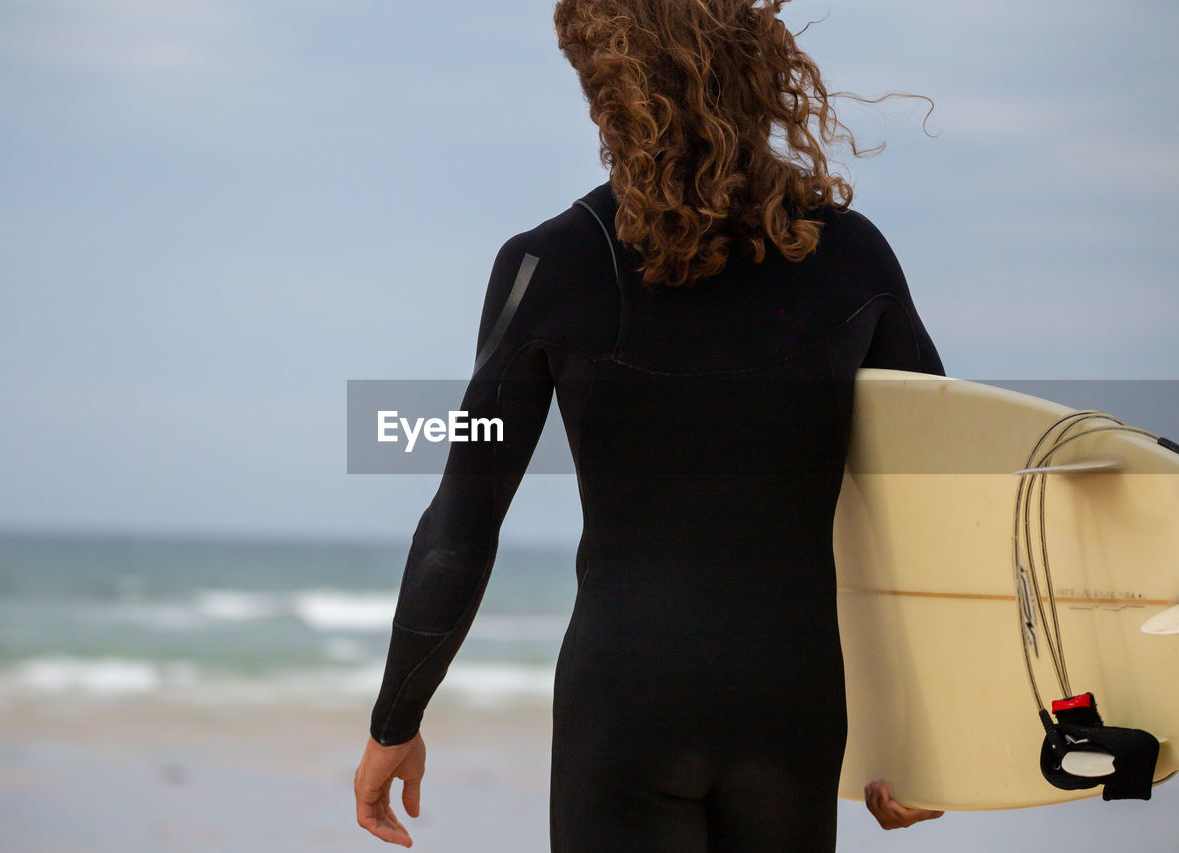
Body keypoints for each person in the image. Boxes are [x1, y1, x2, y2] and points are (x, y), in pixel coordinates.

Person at [355, 0, 946, 848]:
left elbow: (463, 520)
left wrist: (394, 719)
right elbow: (938, 508)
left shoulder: (549, 264)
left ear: (608, 88)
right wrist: (935, 738)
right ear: (753, 65)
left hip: (626, 700)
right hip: (793, 703)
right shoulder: (848, 254)